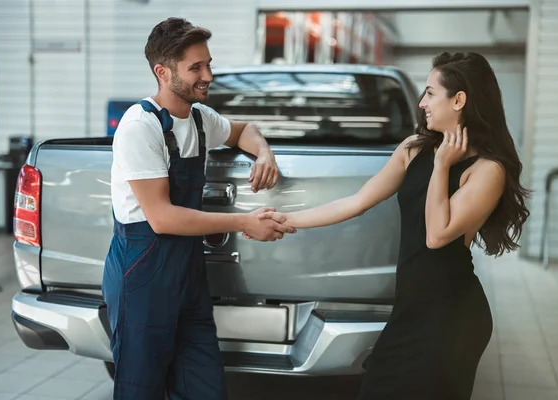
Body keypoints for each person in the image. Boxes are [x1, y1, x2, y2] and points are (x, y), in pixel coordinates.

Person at [249, 52, 530, 399]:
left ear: (459, 100)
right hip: (410, 309)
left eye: (429, 92)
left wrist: (442, 166)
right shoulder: (413, 149)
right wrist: (287, 219)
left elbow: (437, 235)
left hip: (452, 317)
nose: (421, 102)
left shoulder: (488, 170)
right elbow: (356, 201)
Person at [102, 17, 295, 400]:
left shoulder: (200, 118)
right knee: (140, 391)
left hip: (187, 276)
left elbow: (244, 130)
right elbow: (162, 217)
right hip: (143, 276)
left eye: (208, 64)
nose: (208, 74)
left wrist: (265, 153)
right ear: (163, 71)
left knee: (204, 386)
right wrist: (244, 222)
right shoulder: (140, 126)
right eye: (196, 67)